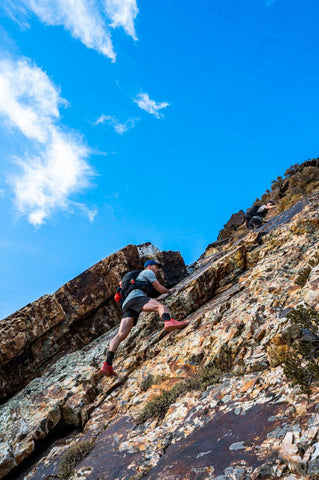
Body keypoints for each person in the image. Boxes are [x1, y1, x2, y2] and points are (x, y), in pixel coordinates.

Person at [100, 259, 188, 376]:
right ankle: (168, 322)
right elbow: (159, 288)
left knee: (120, 335)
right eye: (156, 267)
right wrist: (169, 291)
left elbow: (148, 300)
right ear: (149, 266)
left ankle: (107, 364)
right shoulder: (148, 273)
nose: (157, 270)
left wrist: (158, 299)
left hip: (127, 305)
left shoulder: (137, 280)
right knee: (161, 307)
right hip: (136, 298)